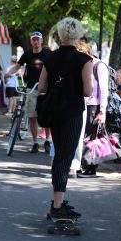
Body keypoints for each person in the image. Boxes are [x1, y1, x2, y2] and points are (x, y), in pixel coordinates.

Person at [38, 18, 92, 218]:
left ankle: (58, 201)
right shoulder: (84, 60)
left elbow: (42, 87)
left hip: (54, 111)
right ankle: (58, 206)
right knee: (65, 157)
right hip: (72, 112)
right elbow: (88, 91)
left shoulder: (49, 58)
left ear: (60, 35)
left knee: (59, 154)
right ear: (77, 34)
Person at [5, 31, 52, 154]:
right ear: (31, 41)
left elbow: (55, 66)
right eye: (33, 40)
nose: (36, 42)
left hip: (45, 89)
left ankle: (47, 140)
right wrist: (9, 73)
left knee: (46, 116)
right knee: (32, 116)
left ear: (41, 41)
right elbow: (18, 66)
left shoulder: (48, 54)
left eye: (38, 39)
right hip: (31, 88)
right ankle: (35, 142)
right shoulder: (27, 54)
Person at [76, 42, 108, 178]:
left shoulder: (98, 66)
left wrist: (102, 111)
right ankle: (83, 164)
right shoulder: (85, 66)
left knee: (91, 136)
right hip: (84, 104)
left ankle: (90, 168)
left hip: (94, 105)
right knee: (83, 136)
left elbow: (104, 90)